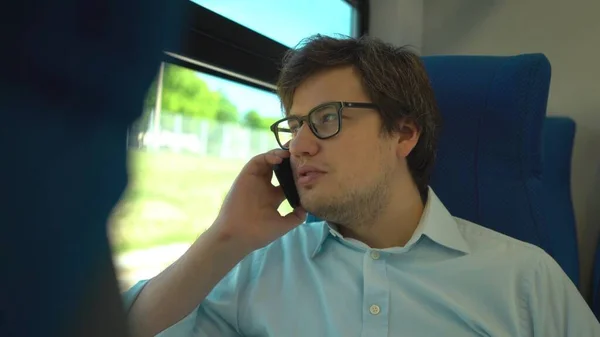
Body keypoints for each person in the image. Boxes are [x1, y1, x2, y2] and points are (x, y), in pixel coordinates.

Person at [123, 35, 600, 337]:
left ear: (404, 133)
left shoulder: (524, 280)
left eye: (326, 119)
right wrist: (224, 238)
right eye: (293, 127)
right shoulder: (261, 263)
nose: (300, 147)